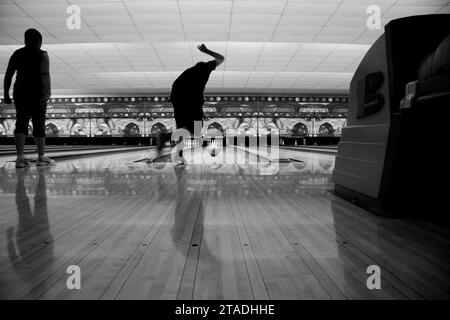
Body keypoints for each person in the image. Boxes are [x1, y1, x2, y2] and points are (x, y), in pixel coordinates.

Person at [156, 44, 224, 165]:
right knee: (195, 130)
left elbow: (174, 87)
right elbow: (221, 58)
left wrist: (174, 100)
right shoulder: (205, 67)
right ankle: (168, 141)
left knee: (183, 130)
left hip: (178, 100)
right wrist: (207, 51)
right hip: (192, 100)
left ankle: (175, 150)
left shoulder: (186, 73)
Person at [3, 28, 55, 168]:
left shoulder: (17, 53)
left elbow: (8, 75)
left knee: (21, 123)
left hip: (20, 92)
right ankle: (41, 157)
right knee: (39, 123)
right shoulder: (43, 54)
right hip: (38, 93)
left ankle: (20, 158)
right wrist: (48, 93)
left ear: (25, 40)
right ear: (39, 41)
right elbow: (45, 74)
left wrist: (6, 94)